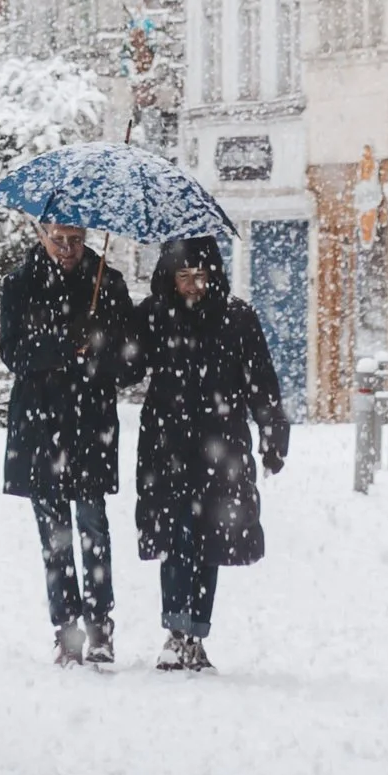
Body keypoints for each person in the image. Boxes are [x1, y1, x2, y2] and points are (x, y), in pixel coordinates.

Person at [134, 232, 289, 672]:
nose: (193, 285)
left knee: (209, 542)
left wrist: (273, 433)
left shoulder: (237, 318)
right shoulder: (155, 315)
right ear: (170, 277)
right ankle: (176, 631)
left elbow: (261, 380)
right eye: (183, 276)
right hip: (167, 444)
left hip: (221, 445)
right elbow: (128, 366)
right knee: (175, 536)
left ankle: (195, 634)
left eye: (200, 275)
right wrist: (103, 340)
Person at [0, 219, 138, 666]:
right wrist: (61, 345)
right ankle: (66, 628)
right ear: (42, 236)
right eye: (58, 240)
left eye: (76, 241)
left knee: (93, 525)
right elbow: (12, 352)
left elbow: (131, 362)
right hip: (40, 427)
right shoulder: (19, 285)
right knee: (54, 534)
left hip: (90, 423)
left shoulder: (108, 284)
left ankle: (100, 625)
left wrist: (99, 344)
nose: (67, 249)